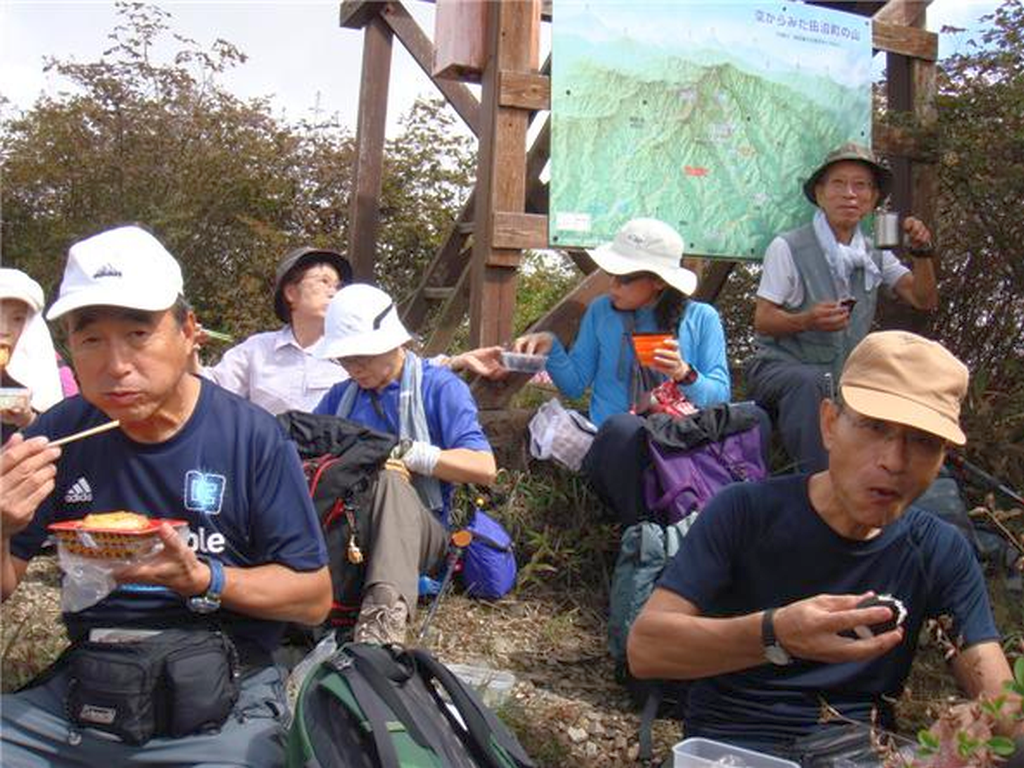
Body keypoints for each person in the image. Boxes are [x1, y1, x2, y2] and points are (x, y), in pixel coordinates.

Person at [1, 225, 332, 766]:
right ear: (70, 349)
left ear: (189, 333)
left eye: (138, 334)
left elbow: (312, 596)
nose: (116, 365)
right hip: (93, 681)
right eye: (91, 339)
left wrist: (203, 578)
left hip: (226, 683)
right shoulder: (57, 437)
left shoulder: (250, 437)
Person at [628, 331, 1017, 761]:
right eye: (874, 427)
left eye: (923, 441)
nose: (894, 460)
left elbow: (1001, 700)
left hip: (859, 751)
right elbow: (647, 650)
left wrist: (978, 721)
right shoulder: (746, 512)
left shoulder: (938, 551)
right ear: (830, 424)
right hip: (733, 746)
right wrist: (776, 633)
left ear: (941, 458)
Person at [312, 283, 496, 645]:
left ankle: (382, 623)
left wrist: (410, 455)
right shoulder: (340, 397)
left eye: (360, 356)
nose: (353, 368)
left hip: (424, 529)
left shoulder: (439, 388)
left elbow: (483, 466)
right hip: (353, 526)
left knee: (389, 481)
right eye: (344, 359)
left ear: (393, 342)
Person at [746, 142, 939, 473]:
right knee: (810, 382)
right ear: (820, 194)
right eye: (838, 184)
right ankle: (818, 484)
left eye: (860, 185)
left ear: (873, 198)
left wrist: (923, 253)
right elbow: (763, 320)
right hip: (779, 370)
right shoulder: (788, 247)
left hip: (840, 377)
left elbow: (923, 299)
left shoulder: (874, 253)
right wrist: (806, 320)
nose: (849, 193)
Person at [514, 218, 730, 427]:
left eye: (625, 278)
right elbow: (574, 386)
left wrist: (683, 373)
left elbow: (719, 398)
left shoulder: (702, 318)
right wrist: (551, 347)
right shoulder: (601, 311)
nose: (613, 286)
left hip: (674, 447)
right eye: (611, 273)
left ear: (659, 281)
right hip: (611, 442)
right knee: (621, 431)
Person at [198, 246, 353, 414]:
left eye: (338, 286)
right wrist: (187, 349)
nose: (333, 292)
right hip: (266, 440)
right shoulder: (257, 350)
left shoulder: (350, 355)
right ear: (291, 293)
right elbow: (211, 390)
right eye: (324, 281)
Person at [0, 268, 64, 442]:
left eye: (17, 319)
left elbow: (71, 447)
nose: (3, 330)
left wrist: (27, 420)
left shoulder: (56, 374)